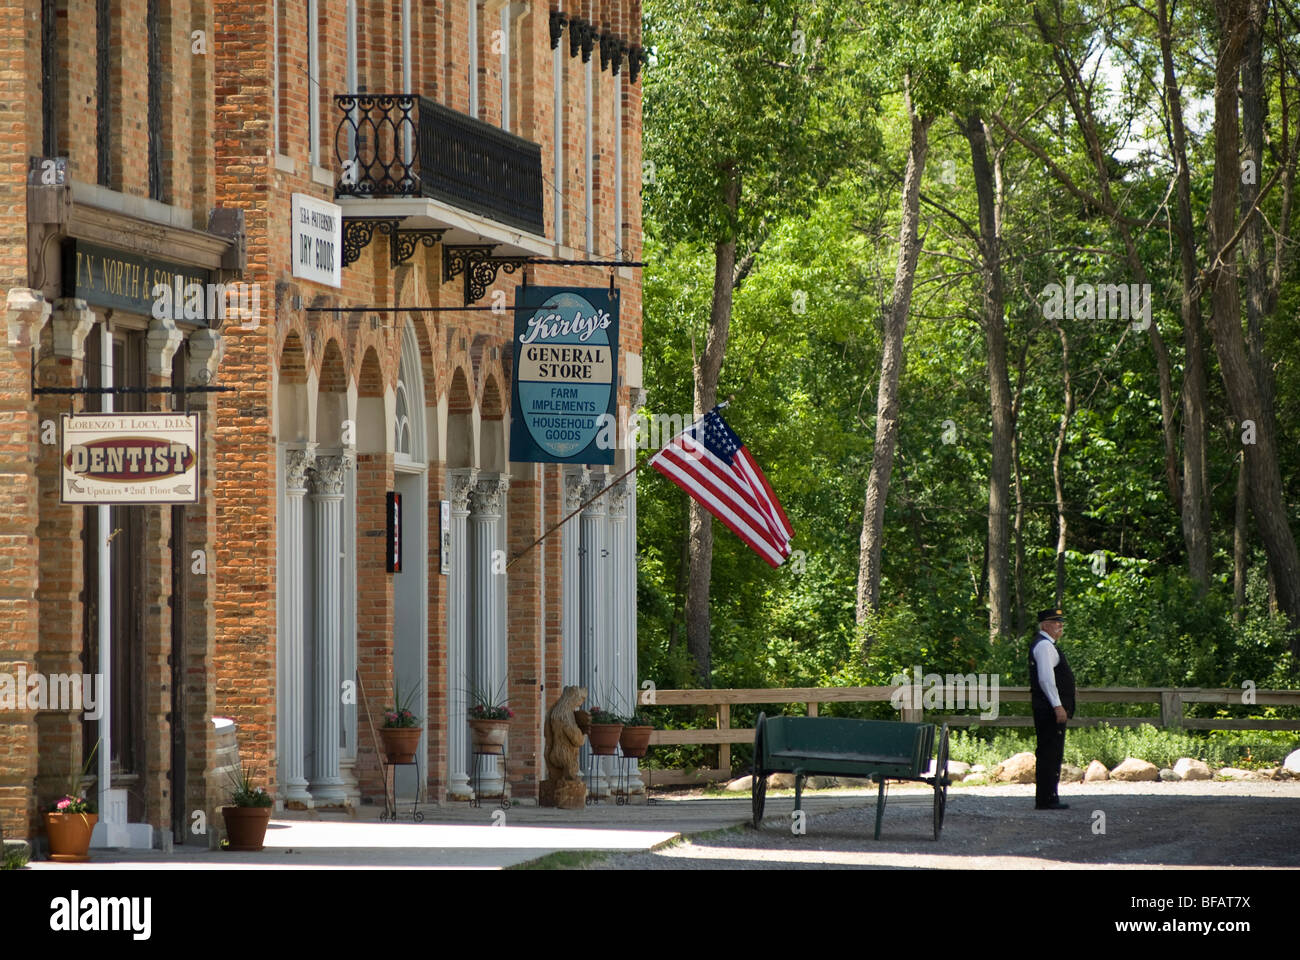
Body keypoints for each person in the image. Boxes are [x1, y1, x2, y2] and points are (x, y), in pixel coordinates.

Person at [1029, 607, 1075, 810]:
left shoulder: (1046, 645)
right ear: (1045, 625)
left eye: (1061, 622)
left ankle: (1049, 795)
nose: (1060, 626)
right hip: (1049, 709)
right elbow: (1046, 680)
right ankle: (1046, 798)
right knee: (1049, 752)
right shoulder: (1045, 647)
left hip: (1048, 708)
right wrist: (1058, 706)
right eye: (1056, 622)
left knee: (1052, 751)